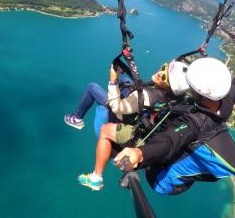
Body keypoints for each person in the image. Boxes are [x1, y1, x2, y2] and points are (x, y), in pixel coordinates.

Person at [113, 31, 235, 195]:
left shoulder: (193, 122)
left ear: (197, 92)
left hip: (160, 179)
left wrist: (140, 153)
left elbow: (170, 141)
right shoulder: (226, 102)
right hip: (182, 165)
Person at [77, 60, 189, 191]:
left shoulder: (147, 95)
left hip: (137, 134)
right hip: (148, 125)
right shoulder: (176, 96)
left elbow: (117, 107)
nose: (160, 73)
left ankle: (96, 178)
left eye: (164, 76)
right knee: (125, 79)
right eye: (164, 68)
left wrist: (113, 80)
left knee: (105, 129)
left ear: (171, 86)